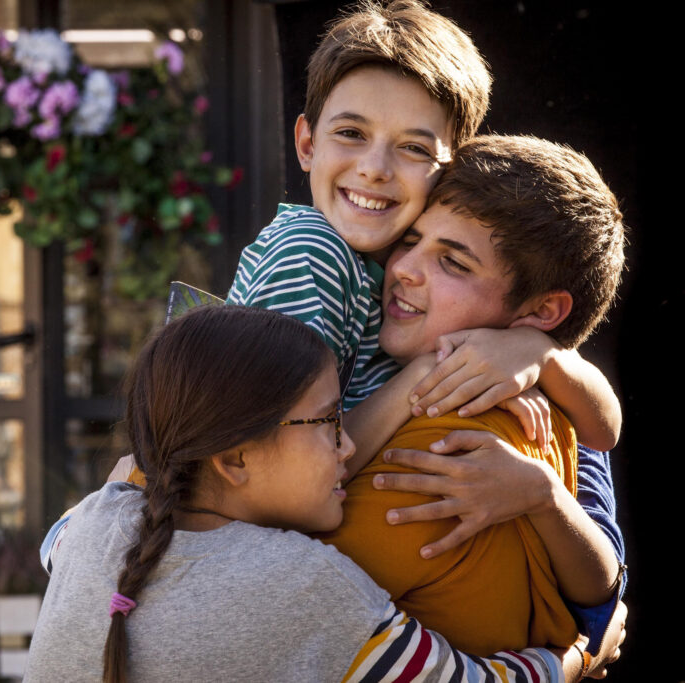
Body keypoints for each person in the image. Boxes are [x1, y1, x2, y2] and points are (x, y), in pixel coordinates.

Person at [25, 305, 623, 682]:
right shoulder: (305, 584)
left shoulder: (101, 519)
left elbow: (57, 543)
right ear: (233, 459)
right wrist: (579, 655)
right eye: (329, 422)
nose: (348, 446)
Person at [227, 0, 620, 466]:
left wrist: (541, 354)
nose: (374, 169)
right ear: (308, 144)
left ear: (449, 169)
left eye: (413, 148)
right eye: (351, 133)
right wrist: (424, 376)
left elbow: (604, 432)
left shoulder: (396, 268)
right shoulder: (310, 253)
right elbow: (279, 465)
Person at [321, 134, 626, 654]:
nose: (403, 268)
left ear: (541, 313)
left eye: (454, 263)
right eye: (410, 239)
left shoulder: (468, 435)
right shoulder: (359, 319)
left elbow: (280, 611)